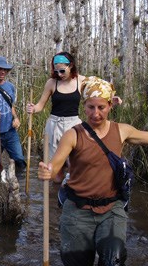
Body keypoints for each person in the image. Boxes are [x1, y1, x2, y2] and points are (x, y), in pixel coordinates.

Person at [37, 76, 148, 266]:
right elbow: (55, 165)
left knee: (112, 263)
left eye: (101, 107)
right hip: (78, 208)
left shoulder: (122, 130)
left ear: (110, 105)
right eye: (91, 107)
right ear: (84, 107)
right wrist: (47, 172)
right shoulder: (73, 134)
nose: (96, 114)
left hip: (111, 208)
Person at [27, 52, 121, 183]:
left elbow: (100, 88)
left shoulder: (81, 80)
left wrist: (110, 98)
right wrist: (33, 108)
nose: (59, 74)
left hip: (74, 125)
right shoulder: (51, 83)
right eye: (56, 71)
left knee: (75, 165)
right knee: (55, 169)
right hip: (54, 125)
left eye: (62, 70)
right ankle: (56, 198)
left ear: (70, 66)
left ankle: (74, 194)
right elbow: (40, 105)